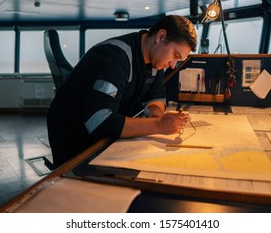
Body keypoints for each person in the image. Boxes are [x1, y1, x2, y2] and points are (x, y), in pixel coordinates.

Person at [47, 15, 197, 167]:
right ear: (160, 36)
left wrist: (159, 117)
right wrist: (158, 125)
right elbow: (100, 122)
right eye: (175, 55)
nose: (173, 65)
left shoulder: (155, 60)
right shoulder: (114, 58)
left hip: (104, 134)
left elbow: (156, 97)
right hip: (75, 137)